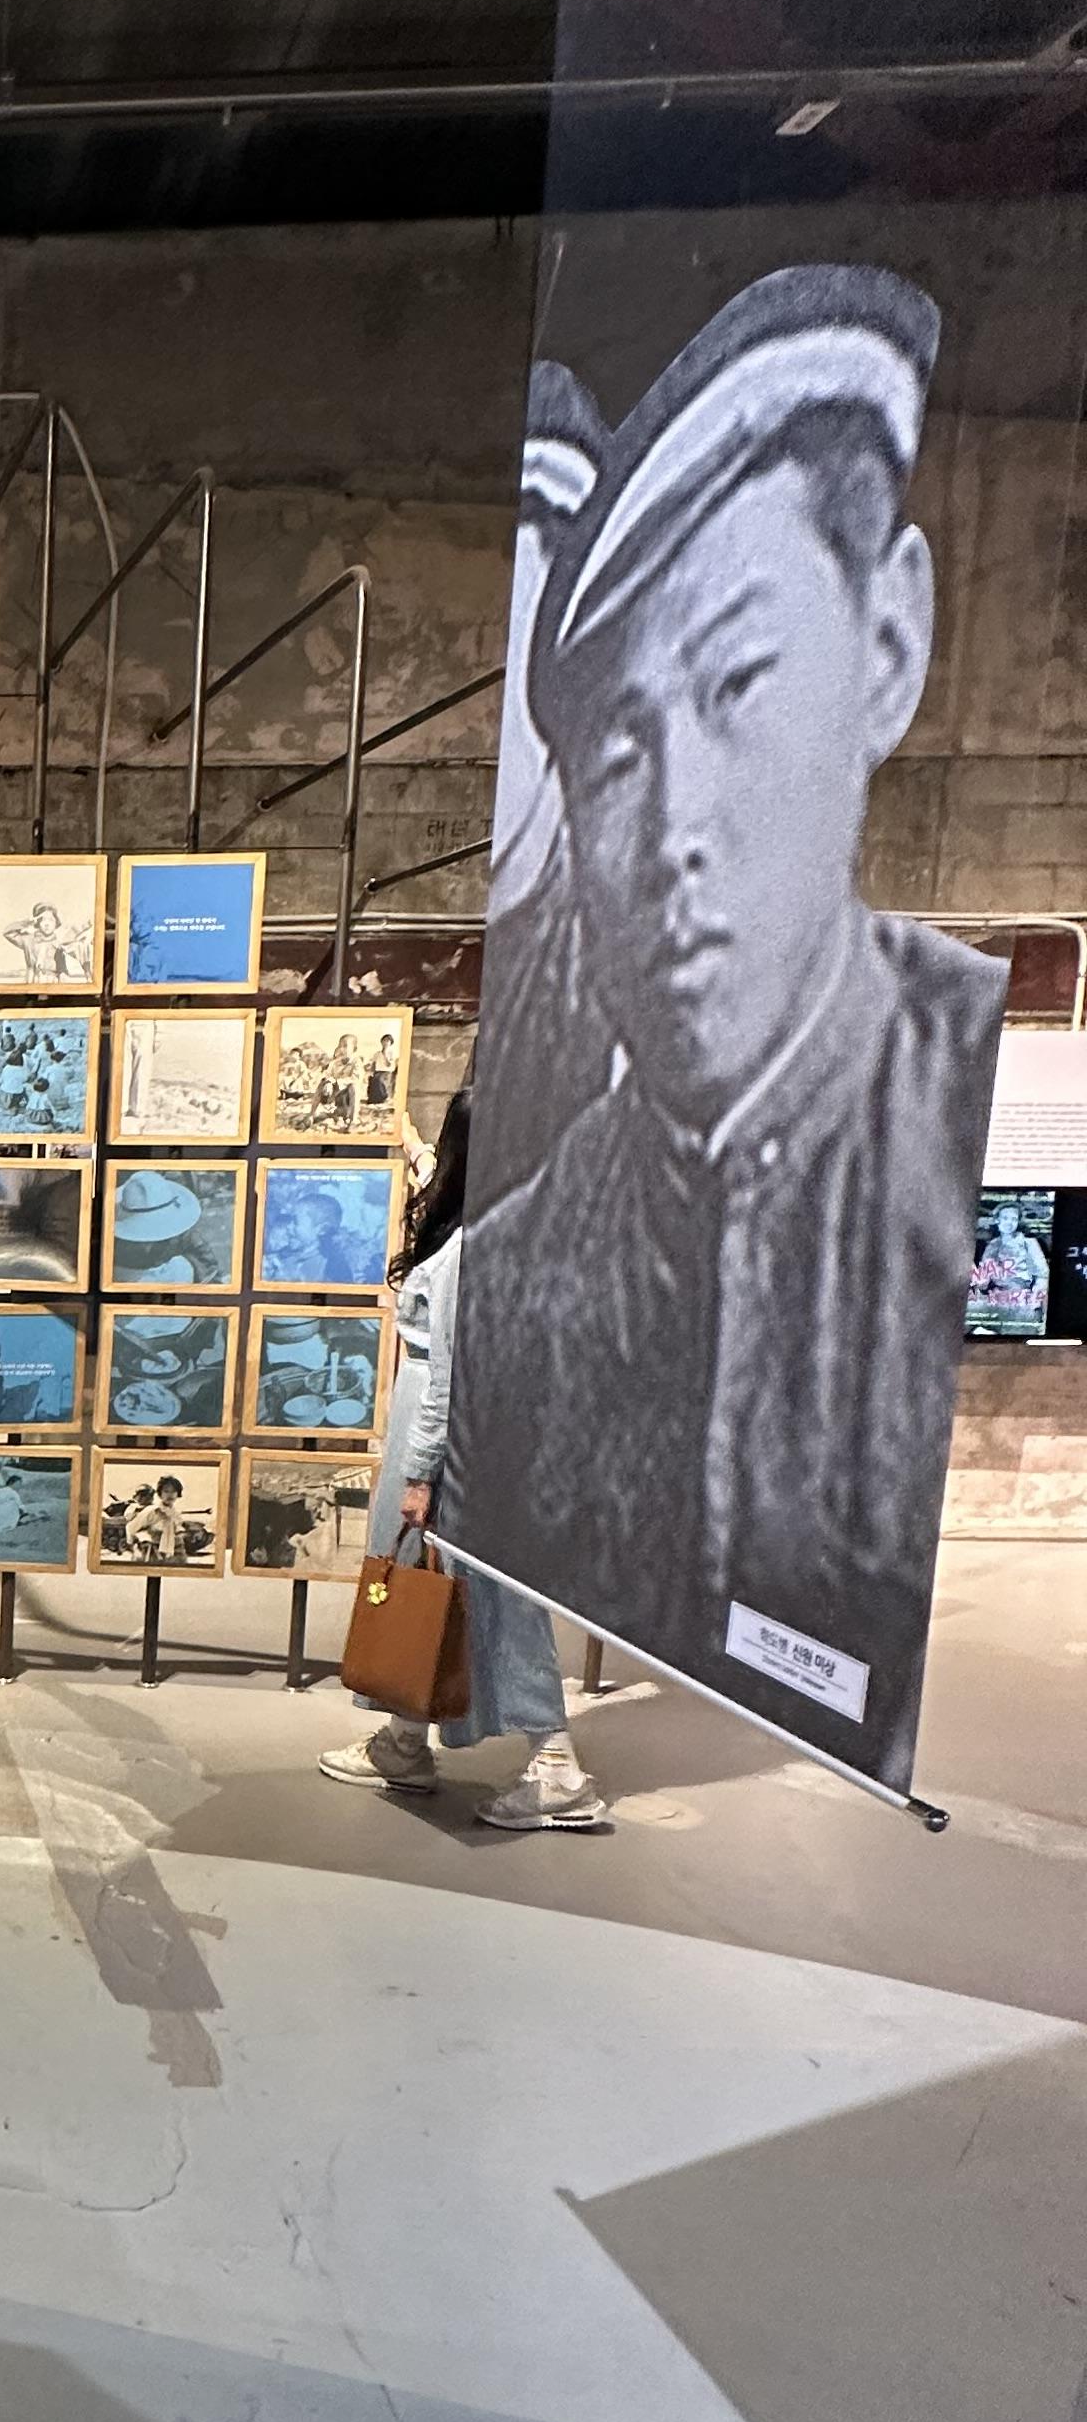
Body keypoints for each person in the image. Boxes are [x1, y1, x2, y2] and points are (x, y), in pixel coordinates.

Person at [444, 269, 1004, 1786]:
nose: (678, 827)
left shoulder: (941, 1117)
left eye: (740, 680)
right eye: (617, 754)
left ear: (887, 647)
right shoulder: (524, 1268)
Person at [322, 1084, 610, 1830]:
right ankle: (404, 1738)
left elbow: (449, 1373)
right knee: (426, 1585)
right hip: (469, 1433)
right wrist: (413, 1149)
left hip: (446, 1437)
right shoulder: (510, 1228)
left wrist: (422, 1473)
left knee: (489, 1596)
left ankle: (555, 1764)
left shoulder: (464, 1251)